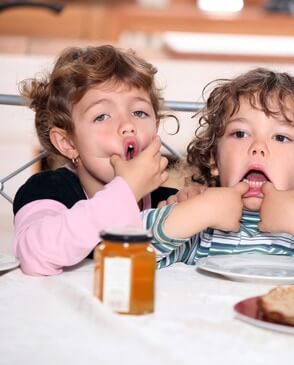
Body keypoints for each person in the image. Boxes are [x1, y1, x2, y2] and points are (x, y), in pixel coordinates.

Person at [142, 68, 294, 280]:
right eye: (240, 134)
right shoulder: (202, 226)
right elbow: (124, 249)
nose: (258, 147)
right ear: (214, 159)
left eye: (281, 137)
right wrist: (199, 212)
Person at [13, 45, 177, 276]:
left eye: (139, 113)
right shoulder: (47, 190)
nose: (128, 125)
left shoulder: (166, 201)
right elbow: (33, 255)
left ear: (156, 129)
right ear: (68, 143)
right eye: (102, 116)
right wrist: (126, 191)